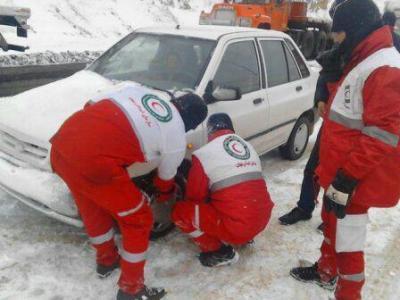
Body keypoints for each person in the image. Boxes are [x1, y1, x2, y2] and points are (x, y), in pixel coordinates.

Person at [50, 83, 208, 300]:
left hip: (62, 144)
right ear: (191, 122)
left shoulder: (140, 94)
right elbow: (165, 180)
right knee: (139, 219)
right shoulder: (175, 136)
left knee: (93, 207)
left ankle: (107, 261)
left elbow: (91, 104)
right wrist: (163, 195)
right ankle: (131, 290)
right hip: (93, 163)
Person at [290, 0, 400, 299]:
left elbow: (382, 134)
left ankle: (348, 293)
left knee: (348, 243)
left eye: (338, 34)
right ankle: (326, 270)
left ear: (353, 29)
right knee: (331, 224)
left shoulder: (384, 67)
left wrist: (347, 178)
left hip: (354, 179)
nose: (335, 40)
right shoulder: (365, 57)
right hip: (338, 171)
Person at [172, 113, 274, 267]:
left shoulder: (203, 154)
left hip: (239, 227)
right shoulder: (248, 147)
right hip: (261, 219)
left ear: (209, 131)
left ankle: (220, 252)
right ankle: (246, 235)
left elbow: (195, 198)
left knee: (181, 212)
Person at [279, 46, 343, 226]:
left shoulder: (359, 63)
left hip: (349, 133)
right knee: (312, 169)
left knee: (337, 176)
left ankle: (332, 218)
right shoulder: (336, 55)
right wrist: (321, 98)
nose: (336, 37)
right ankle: (304, 208)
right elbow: (322, 80)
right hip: (329, 127)